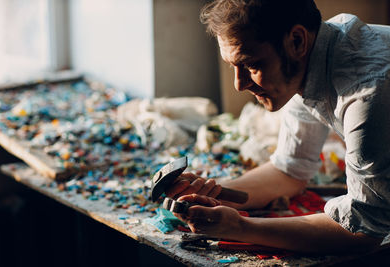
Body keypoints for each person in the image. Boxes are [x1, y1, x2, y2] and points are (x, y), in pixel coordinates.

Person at [165, 0, 390, 253]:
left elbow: (364, 231)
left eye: (251, 65)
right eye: (233, 66)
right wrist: (213, 195)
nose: (239, 84)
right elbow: (290, 171)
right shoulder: (314, 56)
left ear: (296, 41)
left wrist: (240, 227)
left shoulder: (367, 93)